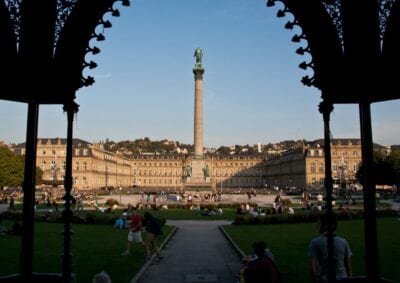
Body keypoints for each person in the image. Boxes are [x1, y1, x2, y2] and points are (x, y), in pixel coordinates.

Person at [308, 212, 352, 283]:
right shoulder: (343, 241)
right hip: (343, 278)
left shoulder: (315, 242)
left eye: (319, 223)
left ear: (323, 225)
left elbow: (312, 268)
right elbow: (348, 267)